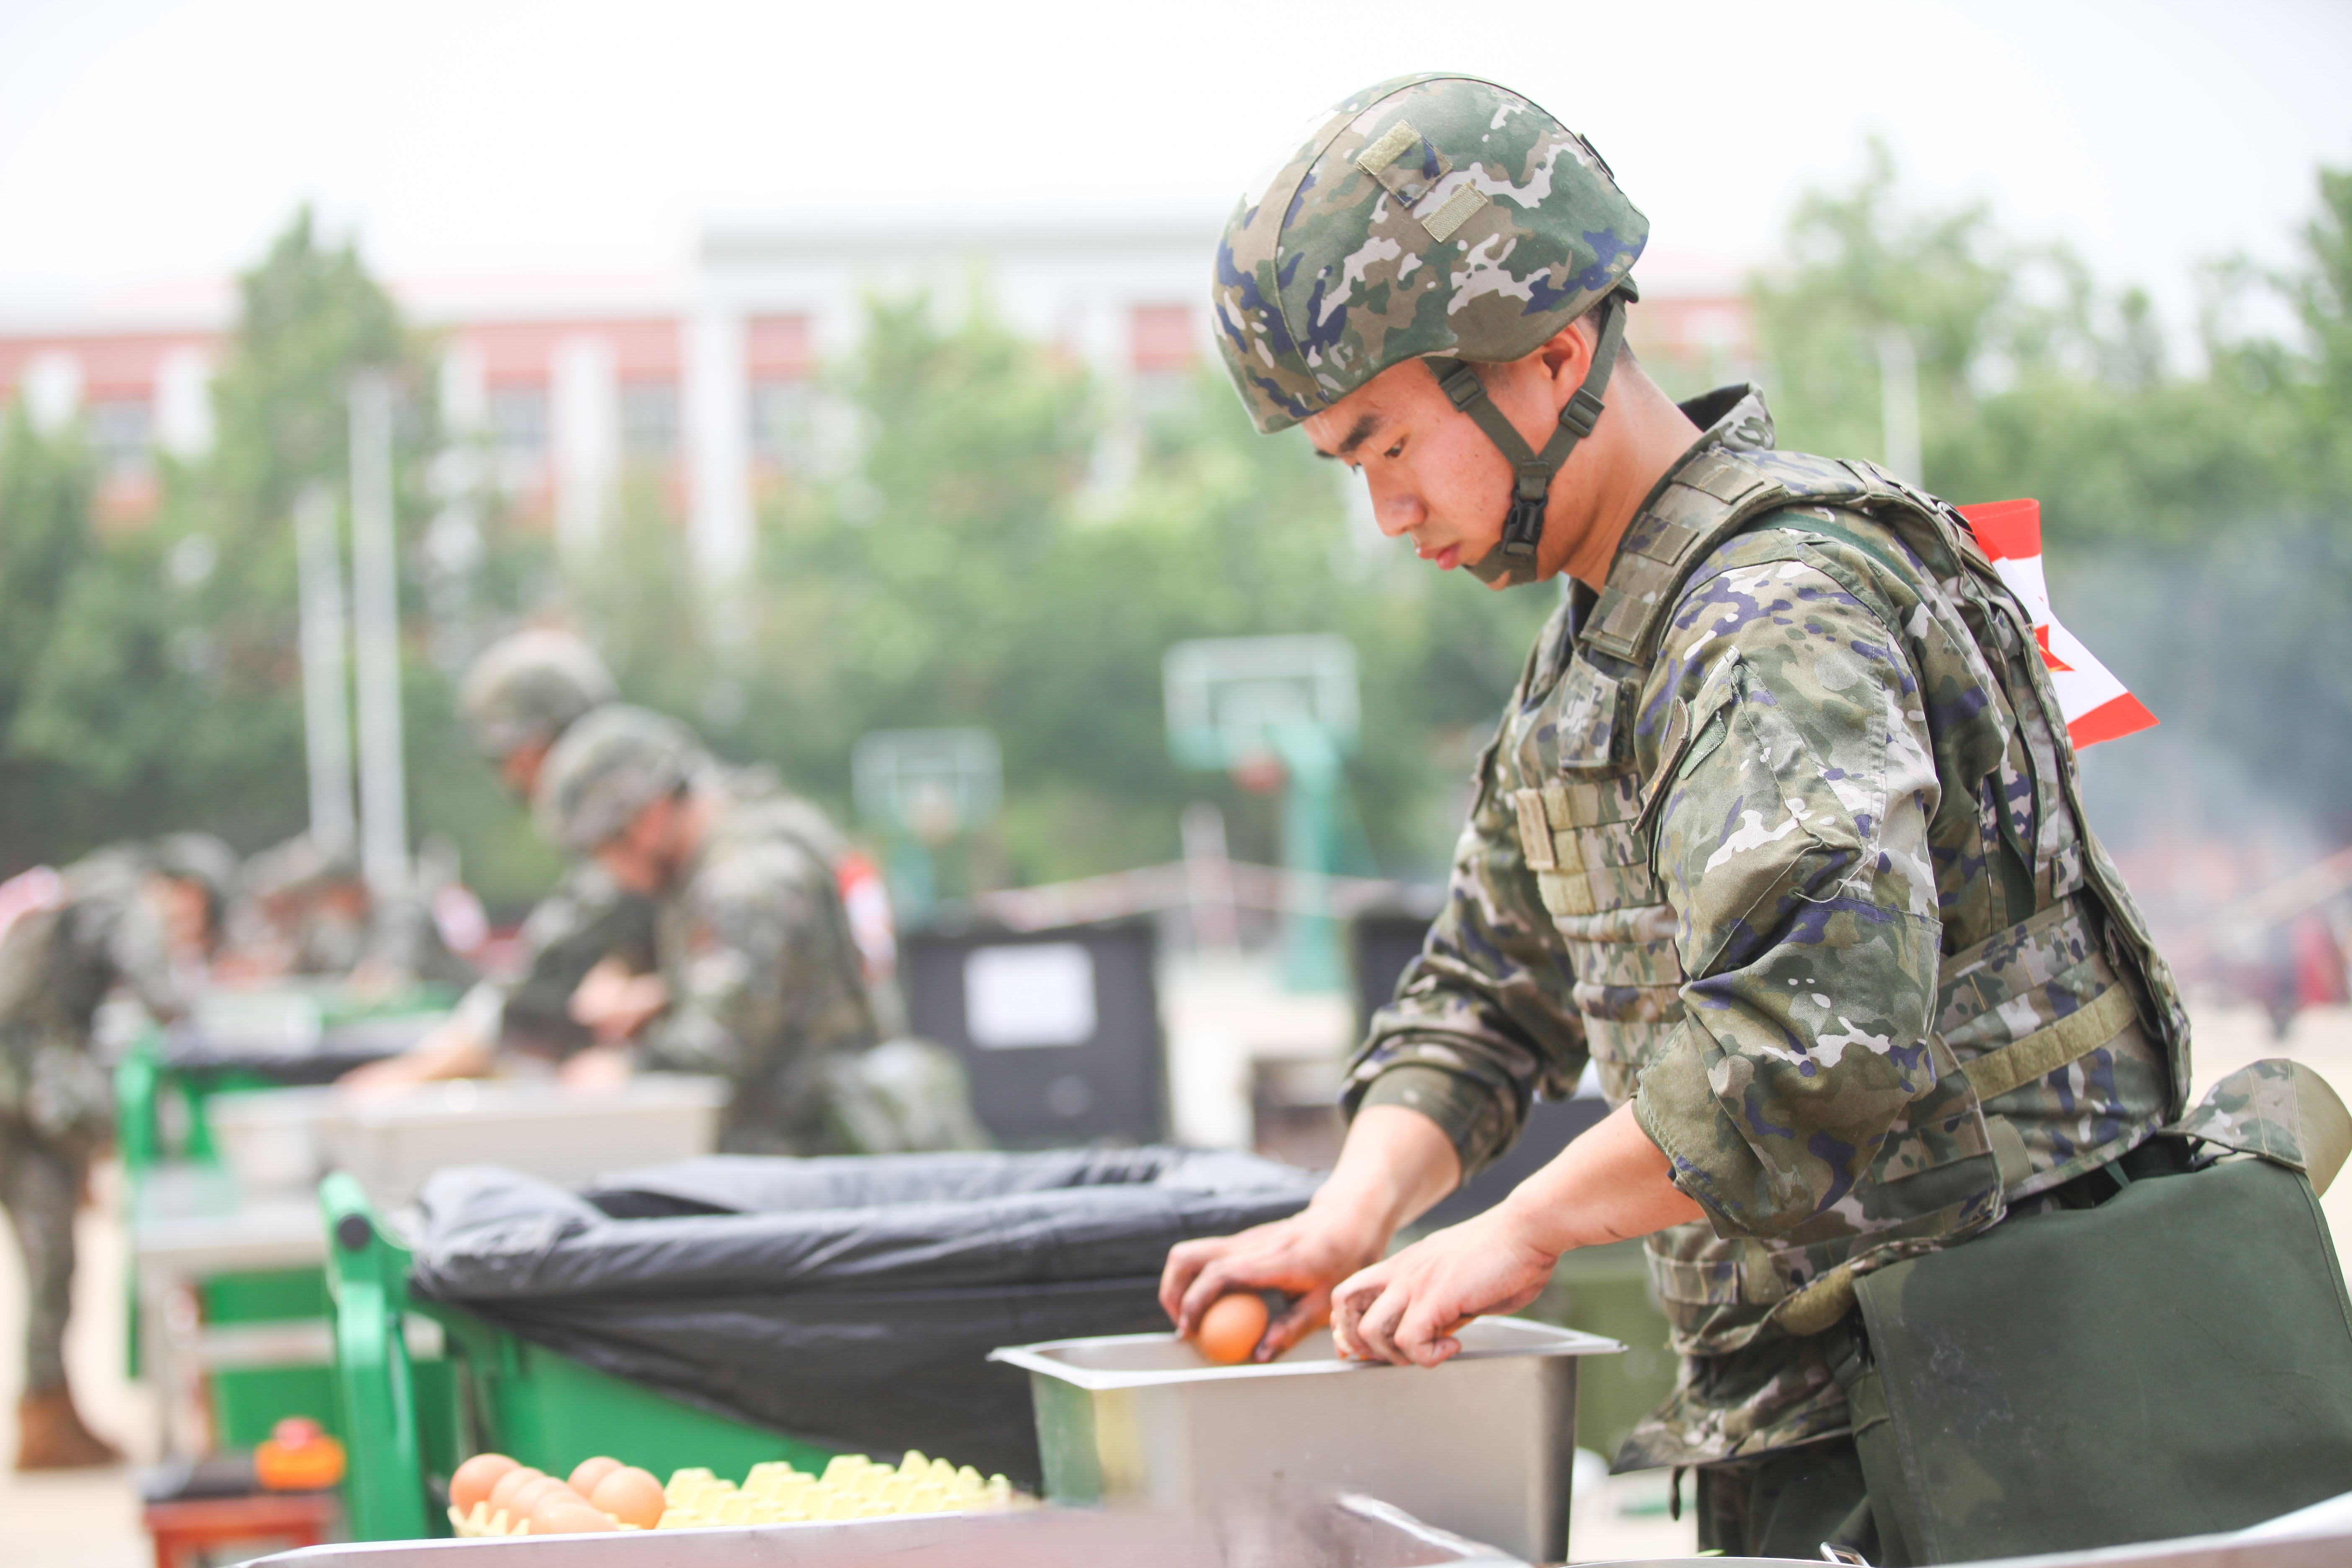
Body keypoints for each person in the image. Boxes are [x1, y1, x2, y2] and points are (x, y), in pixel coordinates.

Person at [1159, 74, 2197, 1559]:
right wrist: (1350, 1213)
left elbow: (1810, 1051)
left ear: (1549, 354)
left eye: (1387, 443)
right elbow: (1487, 994)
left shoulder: (1771, 620)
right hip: (1833, 1402)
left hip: (2010, 1406)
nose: (1385, 513)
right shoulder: (1604, 644)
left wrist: (1516, 1226)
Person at [534, 705, 984, 1154]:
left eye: (604, 848)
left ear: (648, 820)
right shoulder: (747, 841)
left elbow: (719, 1050)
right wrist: (660, 998)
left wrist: (624, 1074)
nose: (611, 874)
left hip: (814, 1155)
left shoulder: (745, 880)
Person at [0, 833, 232, 1469]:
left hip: (21, 1091)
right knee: (51, 1262)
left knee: (53, 1261)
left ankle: (49, 1410)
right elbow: (162, 996)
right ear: (180, 886)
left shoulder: (90, 885)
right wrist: (206, 1028)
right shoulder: (128, 899)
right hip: (24, 1095)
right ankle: (44, 1419)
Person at [343, 628, 656, 1090]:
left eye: (520, 756)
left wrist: (406, 1077)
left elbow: (533, 994)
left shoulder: (629, 853)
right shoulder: (616, 848)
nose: (514, 779)